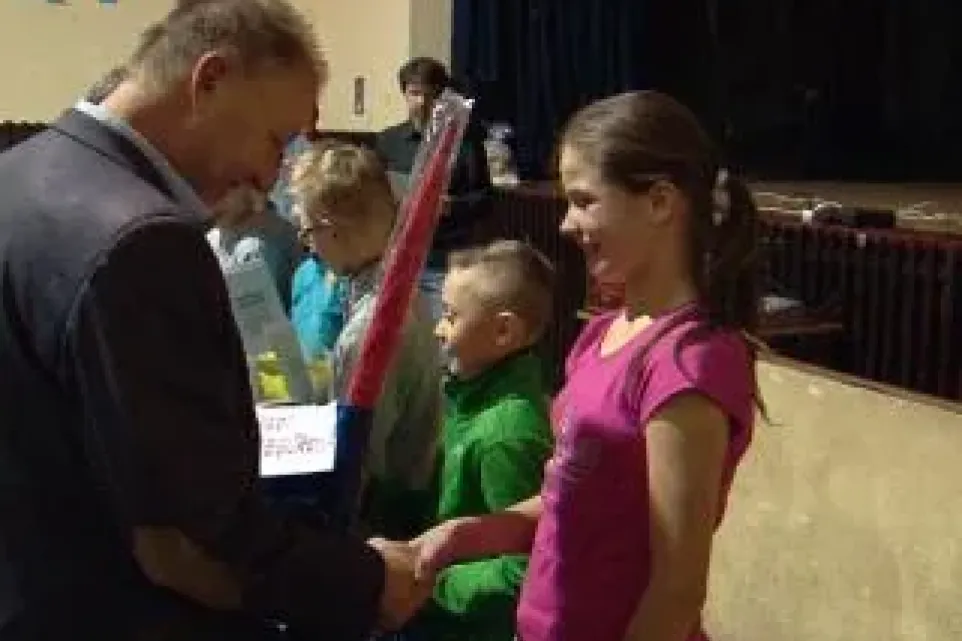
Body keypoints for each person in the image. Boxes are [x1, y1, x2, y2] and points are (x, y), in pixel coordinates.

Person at [0, 1, 428, 639]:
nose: (270, 174)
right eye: (275, 140)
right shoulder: (142, 242)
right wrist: (365, 582)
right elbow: (184, 541)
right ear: (211, 80)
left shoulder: (18, 174)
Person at [409, 90, 764, 641]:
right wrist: (468, 535)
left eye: (584, 200)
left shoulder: (688, 364)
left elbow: (676, 589)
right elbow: (574, 498)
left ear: (659, 202)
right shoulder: (602, 333)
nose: (566, 224)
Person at [289, 140, 441, 539]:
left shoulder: (371, 329)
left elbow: (357, 456)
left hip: (383, 517)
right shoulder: (399, 289)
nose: (307, 245)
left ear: (333, 230)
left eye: (307, 232)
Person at [411, 239, 554, 641]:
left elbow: (521, 570)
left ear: (504, 331)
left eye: (451, 316)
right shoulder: (469, 395)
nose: (438, 329)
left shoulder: (507, 434)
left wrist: (427, 583)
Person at [375, 57, 492, 322]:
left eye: (431, 95)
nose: (422, 102)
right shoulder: (387, 141)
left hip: (444, 260)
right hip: (398, 259)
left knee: (443, 335)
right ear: (404, 94)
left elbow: (486, 200)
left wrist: (452, 206)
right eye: (414, 93)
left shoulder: (465, 143)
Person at [207, 185, 303, 312]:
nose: (212, 199)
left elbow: (257, 319)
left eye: (225, 188)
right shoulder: (209, 239)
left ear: (251, 188)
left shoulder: (257, 247)